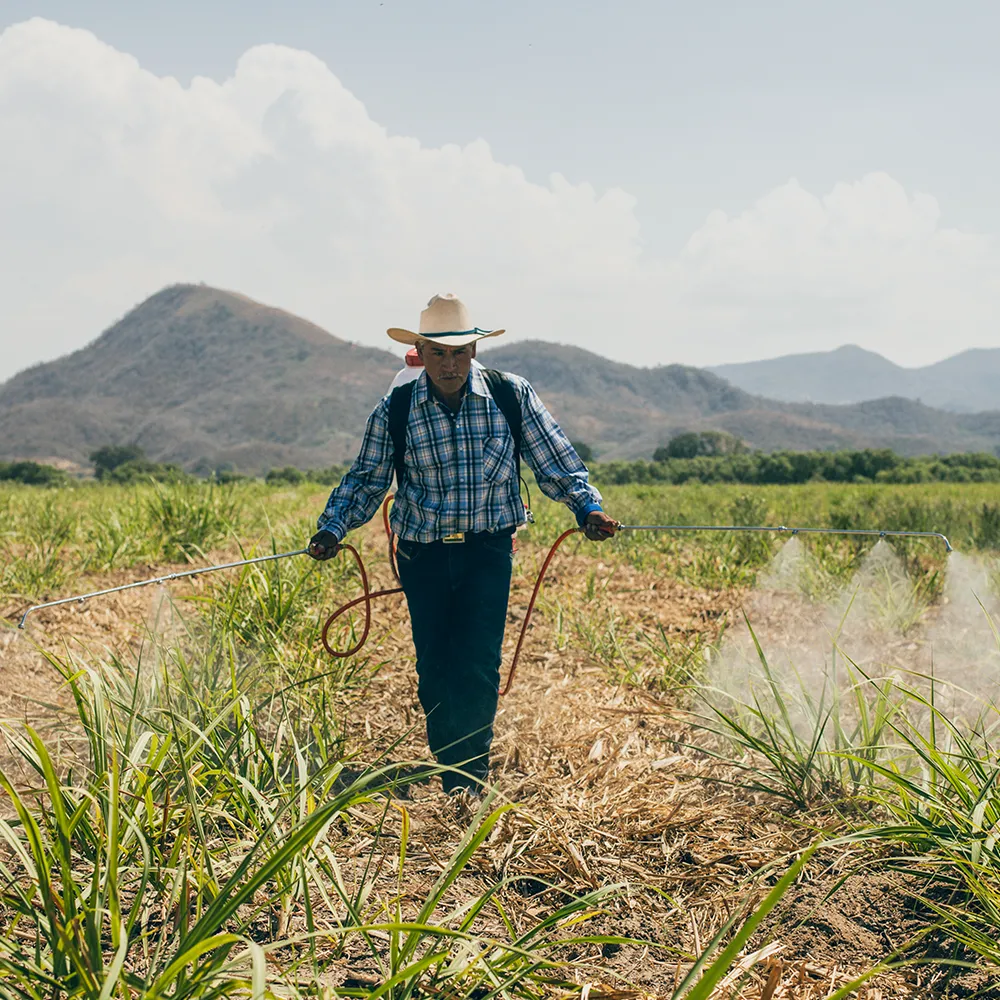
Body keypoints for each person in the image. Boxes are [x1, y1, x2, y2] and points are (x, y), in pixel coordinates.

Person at [308, 293, 617, 797]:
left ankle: (466, 778)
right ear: (421, 354)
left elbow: (556, 462)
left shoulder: (511, 396)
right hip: (422, 554)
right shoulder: (399, 407)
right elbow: (367, 479)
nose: (449, 365)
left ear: (474, 351)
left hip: (486, 551)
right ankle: (450, 761)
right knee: (435, 665)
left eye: (458, 353)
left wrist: (587, 509)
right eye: (437, 353)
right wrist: (332, 529)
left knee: (477, 662)